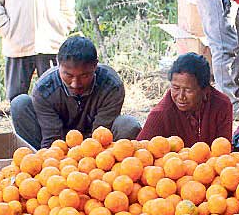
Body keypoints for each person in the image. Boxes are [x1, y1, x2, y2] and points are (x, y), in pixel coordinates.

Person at [11, 36, 141, 149]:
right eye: (68, 75)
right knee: (19, 104)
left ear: (95, 66)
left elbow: (101, 135)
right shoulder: (44, 89)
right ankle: (34, 160)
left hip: (97, 147)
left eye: (84, 76)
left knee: (128, 125)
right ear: (58, 63)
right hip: (58, 142)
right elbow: (52, 139)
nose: (75, 83)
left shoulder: (111, 86)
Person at [137, 53, 234, 147]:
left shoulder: (222, 105)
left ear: (205, 90)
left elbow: (224, 148)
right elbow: (140, 151)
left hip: (214, 162)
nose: (181, 96)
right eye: (176, 88)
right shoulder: (161, 114)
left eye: (188, 90)